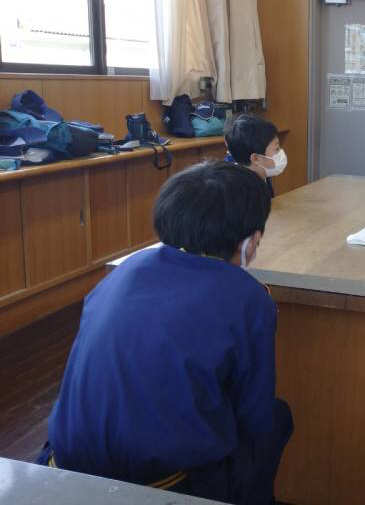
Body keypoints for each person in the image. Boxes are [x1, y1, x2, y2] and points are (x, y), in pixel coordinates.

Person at [37, 162, 292, 505]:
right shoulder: (248, 297)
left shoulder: (124, 270)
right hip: (160, 486)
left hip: (59, 466)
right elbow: (254, 413)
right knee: (277, 418)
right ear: (252, 242)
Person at [224, 113, 287, 198]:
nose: (281, 152)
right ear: (256, 158)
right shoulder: (238, 191)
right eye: (276, 148)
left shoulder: (261, 172)